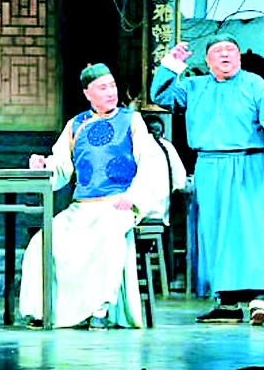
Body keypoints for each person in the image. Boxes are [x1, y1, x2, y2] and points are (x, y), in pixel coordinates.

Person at [150, 33, 264, 326]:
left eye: (231, 50)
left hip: (249, 165)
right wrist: (171, 65)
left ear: (239, 57)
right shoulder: (195, 87)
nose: (225, 55)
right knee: (215, 231)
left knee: (251, 230)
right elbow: (161, 96)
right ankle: (226, 302)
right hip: (210, 166)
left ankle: (257, 298)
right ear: (207, 60)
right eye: (218, 51)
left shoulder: (254, 84)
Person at [19, 63, 186, 331]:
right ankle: (46, 310)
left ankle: (100, 308)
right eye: (102, 88)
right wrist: (43, 165)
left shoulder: (131, 121)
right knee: (42, 241)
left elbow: (150, 164)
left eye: (112, 86)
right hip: (81, 208)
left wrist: (134, 197)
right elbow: (60, 168)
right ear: (88, 93)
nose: (110, 92)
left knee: (108, 235)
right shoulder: (75, 125)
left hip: (118, 205)